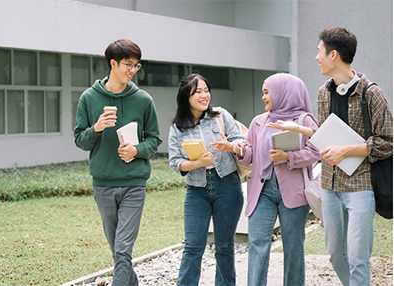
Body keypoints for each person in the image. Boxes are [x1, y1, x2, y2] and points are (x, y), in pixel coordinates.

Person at [266, 27, 393, 285]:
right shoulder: (323, 93)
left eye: (319, 51)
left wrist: (346, 150)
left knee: (358, 258)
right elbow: (325, 135)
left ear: (333, 54)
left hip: (360, 188)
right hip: (330, 187)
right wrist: (300, 128)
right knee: (336, 256)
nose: (316, 57)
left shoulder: (371, 94)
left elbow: (387, 142)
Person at [74, 38, 162, 286]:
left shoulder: (144, 100)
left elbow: (154, 139)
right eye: (128, 64)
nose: (133, 70)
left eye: (136, 65)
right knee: (118, 251)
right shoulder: (89, 98)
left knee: (123, 249)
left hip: (134, 183)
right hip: (103, 185)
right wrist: (97, 128)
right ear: (113, 63)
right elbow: (80, 140)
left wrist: (136, 150)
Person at [233, 73, 321, 286]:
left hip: (293, 193)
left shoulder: (304, 120)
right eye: (263, 92)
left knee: (293, 246)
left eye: (267, 92)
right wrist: (241, 150)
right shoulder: (258, 121)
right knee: (257, 244)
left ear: (283, 93)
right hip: (261, 192)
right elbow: (251, 152)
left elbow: (317, 150)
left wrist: (288, 157)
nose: (264, 97)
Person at [168, 73, 245, 285]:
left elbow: (240, 141)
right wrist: (198, 164)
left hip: (227, 185)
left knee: (224, 246)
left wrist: (229, 146)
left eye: (206, 90)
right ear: (186, 96)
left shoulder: (221, 115)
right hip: (196, 190)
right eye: (198, 92)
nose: (204, 95)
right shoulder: (177, 127)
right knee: (193, 245)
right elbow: (175, 162)